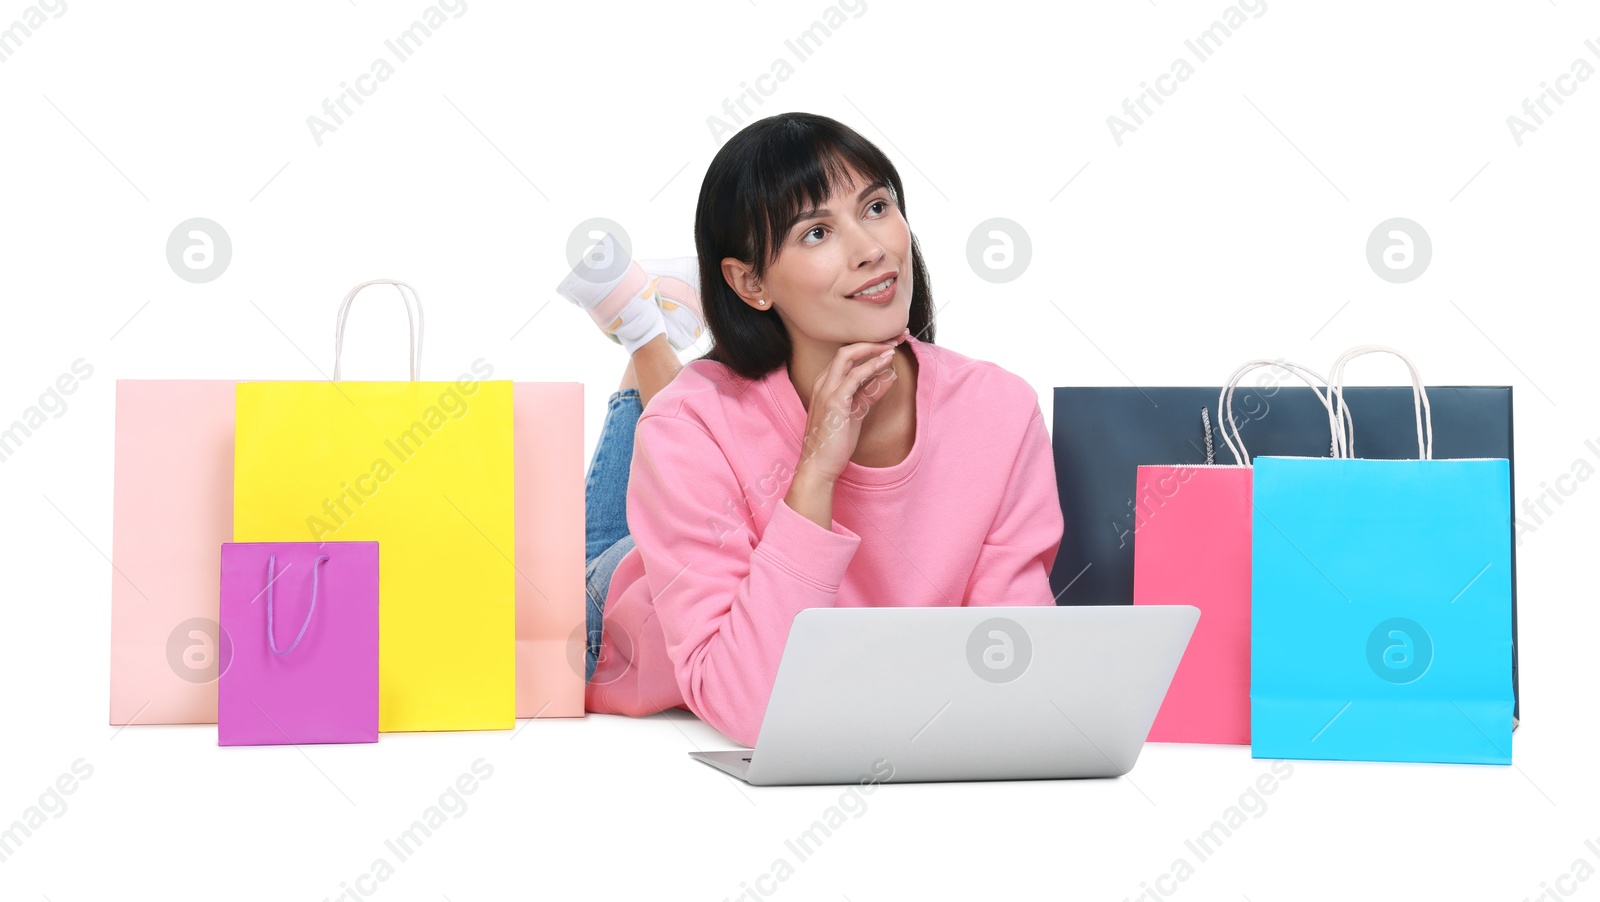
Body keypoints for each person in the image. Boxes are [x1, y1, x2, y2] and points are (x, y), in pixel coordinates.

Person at [556, 112, 1064, 748]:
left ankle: (645, 320)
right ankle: (644, 331)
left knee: (680, 419)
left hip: (701, 499)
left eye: (877, 207)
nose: (872, 249)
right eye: (818, 232)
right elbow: (754, 711)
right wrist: (816, 471)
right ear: (749, 282)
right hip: (620, 610)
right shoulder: (691, 424)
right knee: (587, 547)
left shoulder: (1000, 409)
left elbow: (1010, 663)